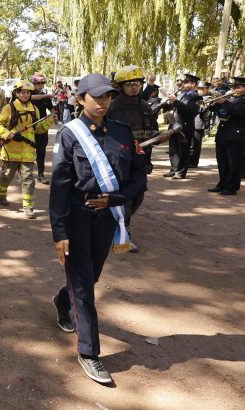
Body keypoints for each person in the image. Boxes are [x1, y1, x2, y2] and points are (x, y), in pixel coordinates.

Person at [49, 73, 147, 384]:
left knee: (91, 275)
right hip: (78, 216)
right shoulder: (70, 135)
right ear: (80, 99)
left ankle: (62, 302)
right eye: (96, 97)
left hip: (108, 216)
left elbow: (138, 177)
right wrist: (59, 232)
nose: (104, 102)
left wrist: (118, 199)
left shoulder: (122, 132)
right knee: (84, 286)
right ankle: (89, 352)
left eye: (107, 97)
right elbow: (60, 188)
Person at [106, 65, 158, 251]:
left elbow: (151, 130)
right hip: (118, 162)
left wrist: (158, 136)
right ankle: (122, 238)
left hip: (140, 160)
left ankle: (113, 226)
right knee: (124, 199)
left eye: (137, 83)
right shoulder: (111, 106)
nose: (134, 87)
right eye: (129, 84)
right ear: (120, 86)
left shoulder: (144, 106)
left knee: (137, 197)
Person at [0, 79, 52, 219]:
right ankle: (0, 194)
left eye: (28, 93)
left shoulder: (35, 109)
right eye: (22, 92)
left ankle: (28, 206)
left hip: (28, 151)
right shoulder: (9, 108)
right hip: (10, 151)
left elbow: (37, 129)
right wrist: (9, 134)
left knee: (28, 179)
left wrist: (48, 121)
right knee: (7, 176)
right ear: (17, 93)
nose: (25, 95)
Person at [207, 77, 245, 196]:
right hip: (223, 134)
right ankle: (222, 183)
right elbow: (215, 109)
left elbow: (240, 112)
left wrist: (225, 102)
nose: (234, 89)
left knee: (233, 163)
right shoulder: (231, 98)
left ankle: (231, 187)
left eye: (237, 87)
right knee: (222, 162)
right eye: (233, 87)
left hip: (236, 135)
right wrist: (215, 102)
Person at [162, 73, 202, 179]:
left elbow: (190, 110)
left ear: (193, 84)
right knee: (173, 148)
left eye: (185, 82)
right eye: (183, 82)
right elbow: (176, 107)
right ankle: (174, 169)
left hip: (185, 125)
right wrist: (167, 103)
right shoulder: (182, 94)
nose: (183, 84)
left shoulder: (196, 96)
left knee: (183, 149)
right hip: (174, 123)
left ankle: (181, 172)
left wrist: (175, 101)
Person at [29, 73, 55, 184]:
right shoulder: (27, 94)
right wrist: (46, 96)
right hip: (29, 128)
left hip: (42, 128)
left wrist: (54, 114)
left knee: (41, 153)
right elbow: (32, 97)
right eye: (38, 83)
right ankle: (27, 176)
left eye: (42, 83)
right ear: (33, 84)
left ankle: (41, 175)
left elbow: (52, 108)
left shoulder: (45, 97)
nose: (40, 85)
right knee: (28, 153)